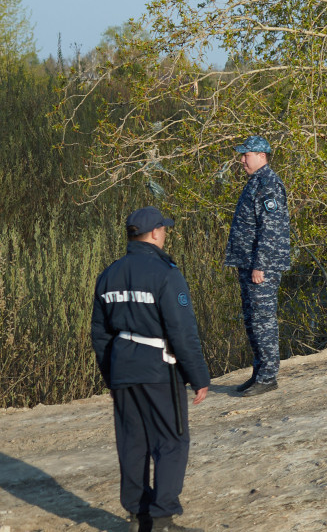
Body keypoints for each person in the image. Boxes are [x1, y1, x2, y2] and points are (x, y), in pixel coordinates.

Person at [91, 207, 209, 532]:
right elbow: (182, 331)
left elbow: (99, 333)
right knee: (172, 441)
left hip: (122, 367)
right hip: (157, 367)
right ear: (156, 233)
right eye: (164, 229)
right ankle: (162, 520)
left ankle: (137, 516)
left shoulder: (109, 274)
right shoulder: (166, 273)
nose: (165, 233)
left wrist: (110, 374)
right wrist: (198, 377)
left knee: (132, 443)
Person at [224, 135, 291, 397]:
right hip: (248, 262)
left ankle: (268, 376)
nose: (242, 160)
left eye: (246, 155)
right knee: (252, 319)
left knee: (263, 319)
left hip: (261, 266)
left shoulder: (269, 184)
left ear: (261, 156)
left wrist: (260, 265)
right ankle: (259, 372)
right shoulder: (256, 182)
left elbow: (271, 229)